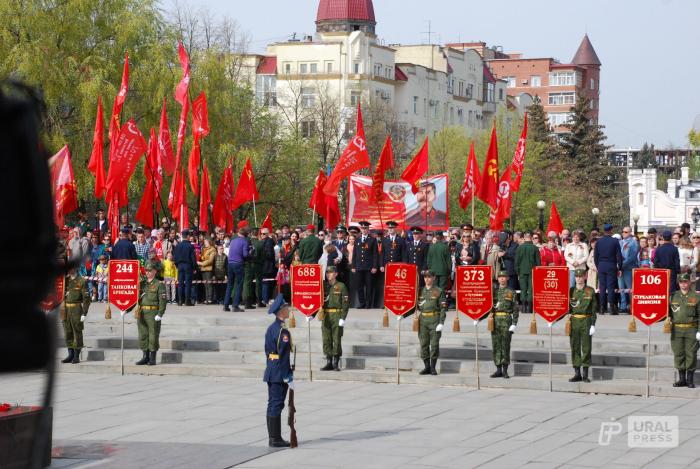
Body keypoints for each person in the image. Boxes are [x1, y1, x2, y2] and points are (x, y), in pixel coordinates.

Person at [263, 294, 294, 447]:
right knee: (276, 403)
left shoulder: (271, 328)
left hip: (271, 369)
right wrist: (287, 374)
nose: (289, 309)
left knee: (273, 403)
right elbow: (283, 355)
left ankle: (274, 437)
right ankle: (275, 439)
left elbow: (268, 351)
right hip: (279, 372)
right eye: (287, 307)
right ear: (281, 311)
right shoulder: (283, 332)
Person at [669, 273, 700, 388]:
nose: (683, 284)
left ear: (690, 283)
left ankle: (690, 379)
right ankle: (682, 379)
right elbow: (666, 312)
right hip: (676, 330)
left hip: (691, 329)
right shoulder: (673, 296)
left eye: (685, 282)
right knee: (678, 353)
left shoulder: (696, 297)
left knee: (691, 353)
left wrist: (699, 331)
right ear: (678, 283)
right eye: (681, 282)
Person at [568, 269, 598, 383]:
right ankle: (577, 373)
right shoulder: (571, 291)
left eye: (581, 276)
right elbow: (567, 308)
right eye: (577, 276)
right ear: (575, 277)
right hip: (574, 321)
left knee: (586, 347)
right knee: (574, 347)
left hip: (586, 320)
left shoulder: (590, 291)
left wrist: (593, 325)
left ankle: (585, 374)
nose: (579, 279)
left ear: (584, 277)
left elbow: (594, 310)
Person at [135, 261, 167, 366]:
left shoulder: (159, 284)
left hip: (153, 312)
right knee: (143, 334)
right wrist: (127, 309)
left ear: (155, 271)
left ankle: (152, 358)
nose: (148, 272)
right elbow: (135, 297)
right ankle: (145, 357)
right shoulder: (142, 283)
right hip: (142, 311)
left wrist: (160, 314)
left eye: (150, 271)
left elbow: (162, 300)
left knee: (153, 335)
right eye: (146, 270)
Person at [415, 271, 447, 376]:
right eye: (425, 277)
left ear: (434, 278)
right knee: (423, 344)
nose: (427, 279)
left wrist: (441, 322)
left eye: (429, 277)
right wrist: (403, 314)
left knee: (434, 345)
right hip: (423, 320)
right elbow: (414, 306)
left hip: (434, 320)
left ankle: (433, 367)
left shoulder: (438, 291)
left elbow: (443, 308)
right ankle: (426, 367)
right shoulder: (420, 291)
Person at [320, 266, 349, 371]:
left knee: (336, 338)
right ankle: (329, 362)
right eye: (327, 272)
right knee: (326, 339)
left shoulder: (341, 286)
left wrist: (343, 318)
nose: (328, 274)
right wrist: (311, 314)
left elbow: (345, 303)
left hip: (336, 315)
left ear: (336, 274)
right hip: (326, 315)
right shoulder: (324, 286)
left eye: (331, 272)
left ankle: (335, 362)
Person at [490, 271, 518, 379]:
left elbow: (515, 309)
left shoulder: (511, 292)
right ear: (497, 279)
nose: (502, 279)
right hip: (495, 320)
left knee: (505, 345)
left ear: (507, 278)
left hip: (506, 320)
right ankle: (498, 369)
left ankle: (505, 370)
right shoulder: (494, 292)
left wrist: (514, 323)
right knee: (496, 345)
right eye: (500, 277)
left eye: (504, 277)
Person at [60, 267, 91, 364]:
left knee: (76, 332)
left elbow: (86, 299)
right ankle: (70, 354)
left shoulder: (82, 281)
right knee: (67, 332)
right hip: (65, 309)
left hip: (76, 308)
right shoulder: (65, 280)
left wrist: (84, 313)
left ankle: (76, 355)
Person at [594, 224, 623, 315]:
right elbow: (618, 255)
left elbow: (595, 256)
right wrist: (620, 267)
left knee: (602, 287)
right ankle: (611, 307)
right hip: (611, 265)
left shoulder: (599, 241)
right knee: (610, 287)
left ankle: (602, 308)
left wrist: (598, 266)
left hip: (601, 265)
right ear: (611, 230)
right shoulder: (615, 241)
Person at [224, 223, 251, 312]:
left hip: (230, 263)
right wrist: (250, 252)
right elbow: (245, 254)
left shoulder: (233, 240)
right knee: (239, 284)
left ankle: (226, 305)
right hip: (238, 263)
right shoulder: (244, 241)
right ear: (245, 235)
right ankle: (235, 305)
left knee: (230, 284)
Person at [352, 221, 378, 309]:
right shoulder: (357, 239)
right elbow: (355, 254)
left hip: (369, 267)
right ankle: (362, 303)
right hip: (359, 267)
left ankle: (368, 304)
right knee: (359, 286)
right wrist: (353, 266)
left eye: (365, 228)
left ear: (368, 229)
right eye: (362, 228)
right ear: (360, 229)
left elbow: (375, 254)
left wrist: (374, 266)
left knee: (369, 286)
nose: (364, 230)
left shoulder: (372, 240)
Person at [515, 231, 541, 315]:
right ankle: (529, 307)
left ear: (524, 238)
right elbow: (538, 263)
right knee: (530, 290)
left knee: (523, 289)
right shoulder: (535, 248)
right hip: (532, 272)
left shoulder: (519, 248)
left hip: (522, 272)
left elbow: (516, 262)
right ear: (531, 238)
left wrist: (517, 272)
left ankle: (523, 307)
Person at [173, 229, 197, 306]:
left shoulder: (178, 246)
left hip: (180, 266)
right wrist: (195, 268)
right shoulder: (190, 246)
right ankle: (187, 301)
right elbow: (193, 258)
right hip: (188, 266)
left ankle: (180, 301)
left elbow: (175, 257)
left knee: (180, 284)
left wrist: (177, 265)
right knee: (188, 284)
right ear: (187, 236)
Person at [618, 226, 639, 313]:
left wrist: (622, 265)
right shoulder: (620, 242)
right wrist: (618, 266)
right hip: (620, 268)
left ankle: (632, 306)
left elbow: (632, 257)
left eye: (626, 232)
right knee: (621, 288)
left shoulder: (633, 243)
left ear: (630, 233)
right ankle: (623, 306)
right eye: (623, 231)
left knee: (630, 288)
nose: (623, 233)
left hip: (628, 268)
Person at [197, 237, 216, 304]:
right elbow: (202, 257)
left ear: (209, 242)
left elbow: (210, 261)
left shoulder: (213, 249)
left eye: (206, 242)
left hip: (209, 269)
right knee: (205, 284)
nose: (205, 243)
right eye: (204, 242)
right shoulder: (204, 249)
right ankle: (207, 298)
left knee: (209, 284)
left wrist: (201, 263)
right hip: (203, 269)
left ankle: (210, 299)